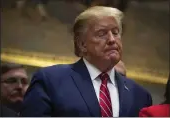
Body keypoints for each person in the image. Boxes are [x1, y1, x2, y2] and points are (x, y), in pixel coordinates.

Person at [20, 6, 152, 117]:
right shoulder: (51, 81)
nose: (112, 39)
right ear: (82, 44)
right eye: (102, 33)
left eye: (116, 33)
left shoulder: (140, 95)